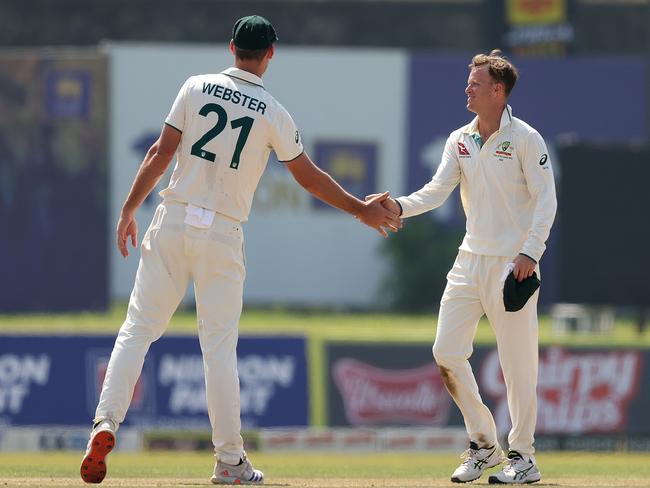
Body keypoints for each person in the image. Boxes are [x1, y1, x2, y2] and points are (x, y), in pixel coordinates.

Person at [80, 15, 401, 485]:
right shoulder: (274, 111)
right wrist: (359, 209)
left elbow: (159, 152)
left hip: (172, 219)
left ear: (231, 47)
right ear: (271, 53)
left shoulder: (195, 87)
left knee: (137, 331)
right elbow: (308, 176)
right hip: (222, 233)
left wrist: (130, 208)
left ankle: (105, 423)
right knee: (218, 350)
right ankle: (229, 460)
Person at [372, 50, 556, 484]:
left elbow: (546, 200)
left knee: (517, 366)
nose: (467, 89)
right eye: (468, 82)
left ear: (498, 90)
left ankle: (524, 457)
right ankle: (485, 445)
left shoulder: (526, 138)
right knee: (446, 352)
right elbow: (436, 192)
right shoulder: (461, 138)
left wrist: (531, 253)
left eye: (476, 83)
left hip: (514, 266)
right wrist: (397, 206)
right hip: (469, 261)